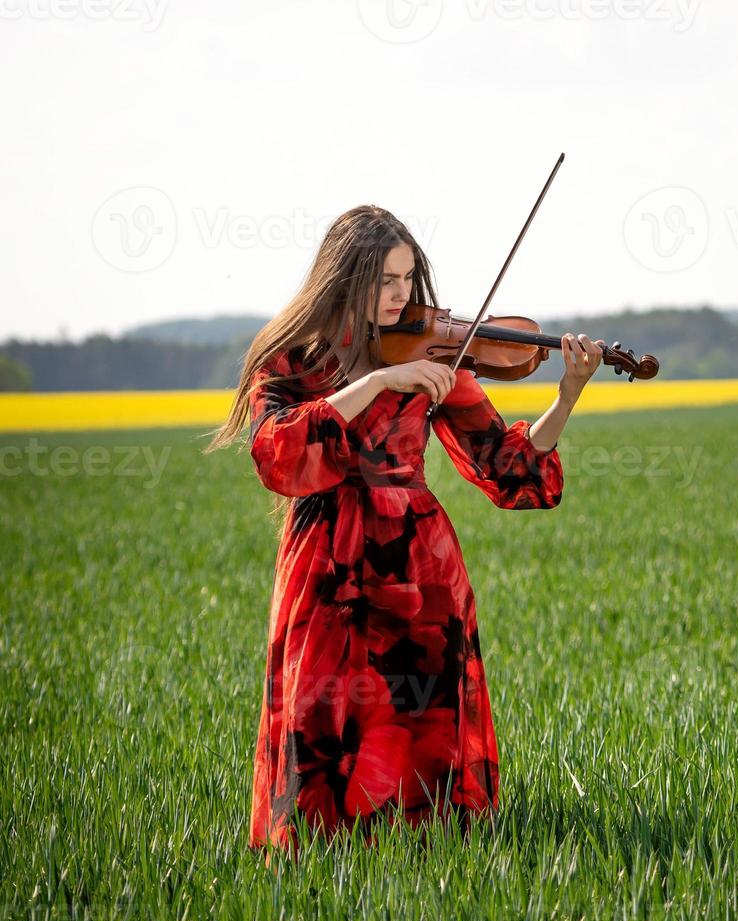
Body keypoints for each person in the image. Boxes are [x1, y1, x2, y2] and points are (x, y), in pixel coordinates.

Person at [203, 204, 602, 860]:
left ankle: (430, 858)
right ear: (346, 276)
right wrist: (381, 380)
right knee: (320, 708)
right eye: (385, 280)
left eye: (408, 279)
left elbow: (506, 466)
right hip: (324, 562)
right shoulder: (293, 358)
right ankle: (315, 856)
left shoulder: (433, 350)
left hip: (417, 563)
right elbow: (279, 451)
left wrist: (566, 397)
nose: (400, 296)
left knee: (421, 715)